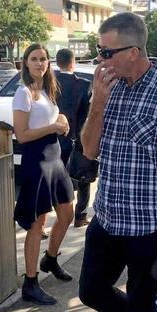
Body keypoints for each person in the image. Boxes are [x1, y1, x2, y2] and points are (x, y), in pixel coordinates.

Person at [79, 12, 157, 312]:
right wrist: (98, 103)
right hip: (106, 218)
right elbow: (89, 151)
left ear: (133, 53)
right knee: (90, 291)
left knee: (141, 304)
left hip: (148, 227)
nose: (99, 59)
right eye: (99, 51)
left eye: (106, 52)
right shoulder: (108, 86)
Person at [12, 43, 75, 305]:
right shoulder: (22, 93)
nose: (40, 63)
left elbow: (53, 114)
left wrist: (62, 119)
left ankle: (50, 258)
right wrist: (53, 126)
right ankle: (30, 282)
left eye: (43, 59)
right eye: (34, 59)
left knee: (67, 213)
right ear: (26, 63)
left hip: (55, 158)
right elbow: (22, 134)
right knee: (38, 223)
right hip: (36, 160)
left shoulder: (48, 89)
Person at [54, 48, 93, 228]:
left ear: (57, 61)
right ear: (72, 63)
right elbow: (86, 114)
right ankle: (80, 215)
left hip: (52, 137)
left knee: (53, 178)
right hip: (77, 138)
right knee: (82, 178)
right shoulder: (84, 85)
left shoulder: (49, 83)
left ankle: (48, 218)